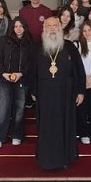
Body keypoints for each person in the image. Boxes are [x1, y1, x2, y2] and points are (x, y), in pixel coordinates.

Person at [29, 16, 85, 170]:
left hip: (66, 94)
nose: (52, 29)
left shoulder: (69, 47)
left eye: (55, 26)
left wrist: (80, 91)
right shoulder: (37, 48)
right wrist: (33, 90)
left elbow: (79, 70)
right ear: (44, 29)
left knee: (65, 125)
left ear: (60, 28)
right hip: (44, 95)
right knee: (46, 127)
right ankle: (46, 160)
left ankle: (65, 158)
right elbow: (31, 71)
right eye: (49, 26)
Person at [0, 16, 33, 148]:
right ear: (12, 28)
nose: (18, 29)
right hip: (4, 79)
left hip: (21, 79)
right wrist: (3, 73)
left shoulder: (29, 42)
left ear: (24, 28)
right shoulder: (4, 40)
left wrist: (21, 73)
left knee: (19, 108)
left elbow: (31, 62)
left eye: (21, 26)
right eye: (16, 26)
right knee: (3, 108)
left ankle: (16, 135)